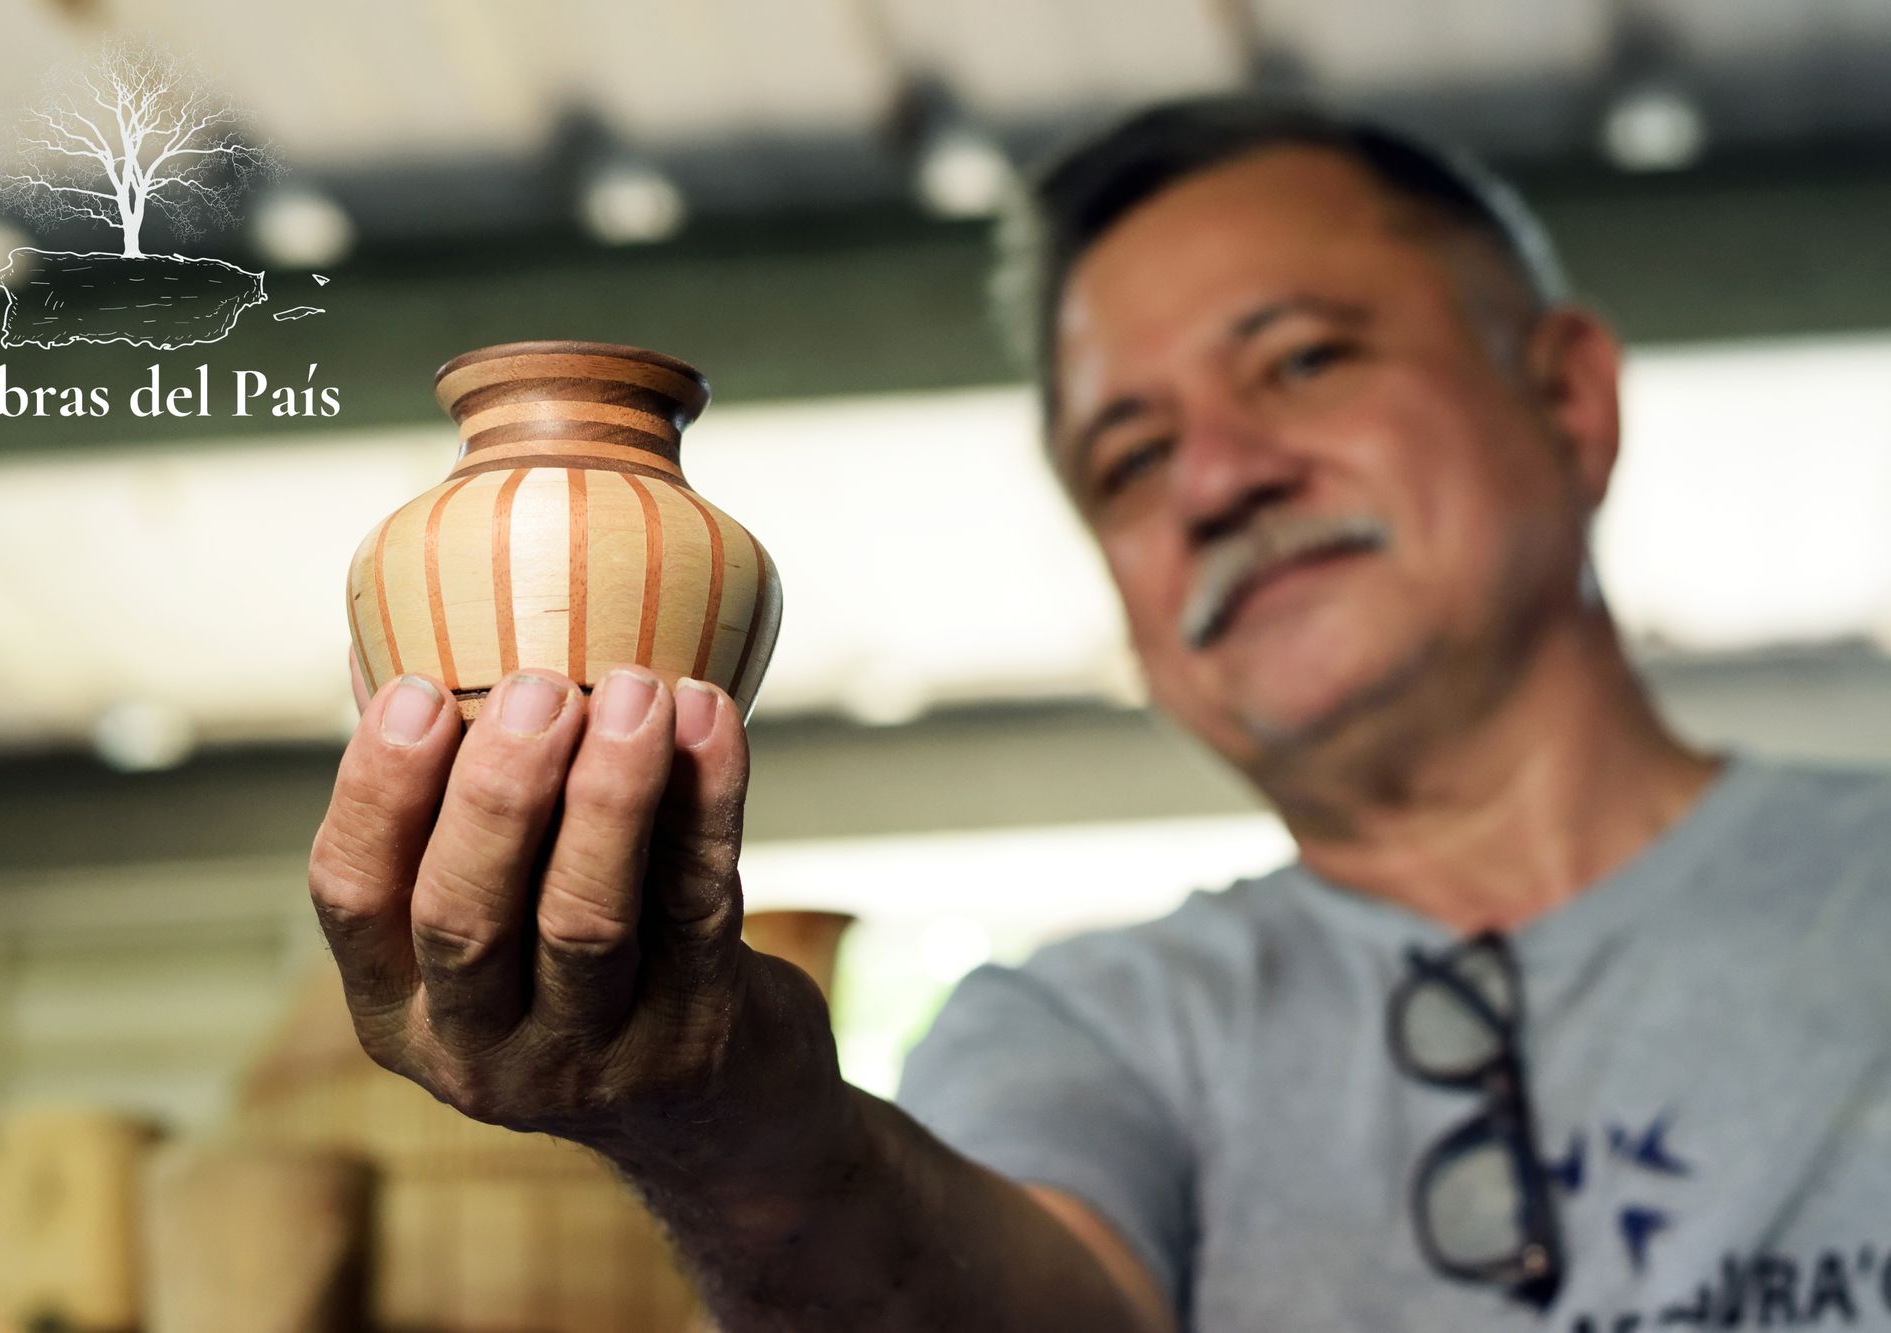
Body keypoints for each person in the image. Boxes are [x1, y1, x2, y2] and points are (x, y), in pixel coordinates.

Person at [308, 96, 1891, 1331]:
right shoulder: (1088, 1028)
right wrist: (733, 1123)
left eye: (1304, 361)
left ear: (1569, 399)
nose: (1213, 478)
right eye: (1129, 456)